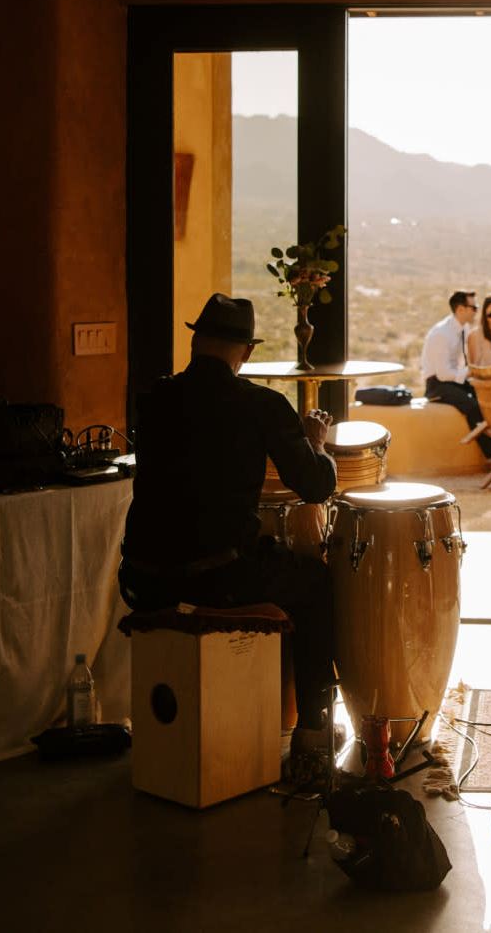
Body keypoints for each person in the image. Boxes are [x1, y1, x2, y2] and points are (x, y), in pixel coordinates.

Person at [119, 293, 339, 788]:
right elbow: (316, 486)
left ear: (196, 342)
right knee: (315, 583)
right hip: (215, 580)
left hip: (141, 577)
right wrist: (316, 445)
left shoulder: (153, 399)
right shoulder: (262, 405)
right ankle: (311, 736)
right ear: (247, 352)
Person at [421, 289, 491, 459]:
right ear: (460, 309)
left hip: (452, 380)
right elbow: (442, 374)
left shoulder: (463, 328)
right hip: (437, 385)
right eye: (474, 307)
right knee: (473, 407)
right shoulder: (442, 333)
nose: (477, 311)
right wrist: (469, 372)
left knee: (486, 396)